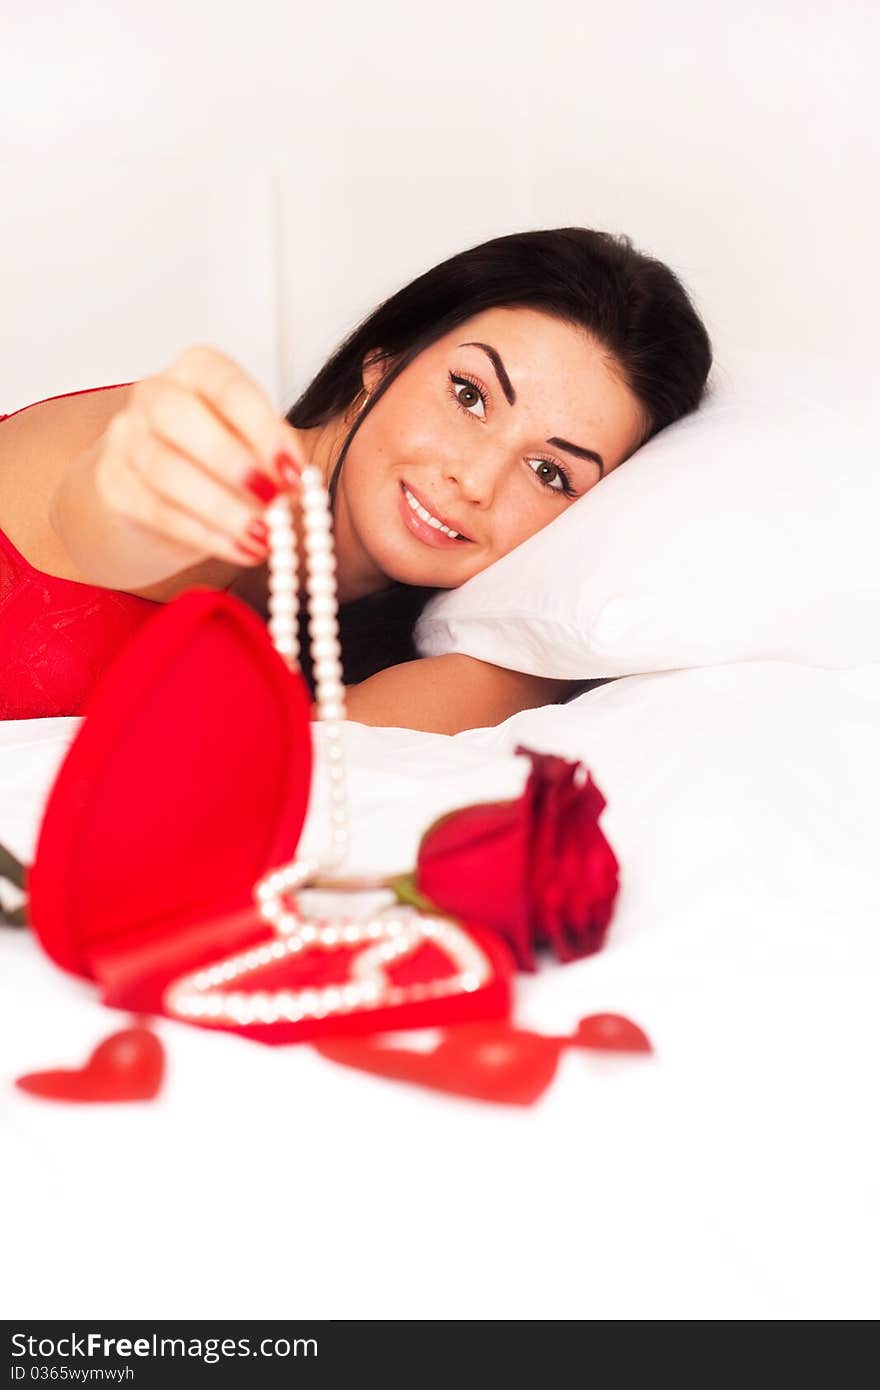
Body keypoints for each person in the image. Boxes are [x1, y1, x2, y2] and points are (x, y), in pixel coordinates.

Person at [0, 227, 712, 731]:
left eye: (550, 472)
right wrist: (129, 490)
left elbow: (332, 744)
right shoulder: (219, 464)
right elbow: (101, 517)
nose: (475, 479)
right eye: (469, 395)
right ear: (381, 363)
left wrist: (549, 655)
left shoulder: (403, 645)